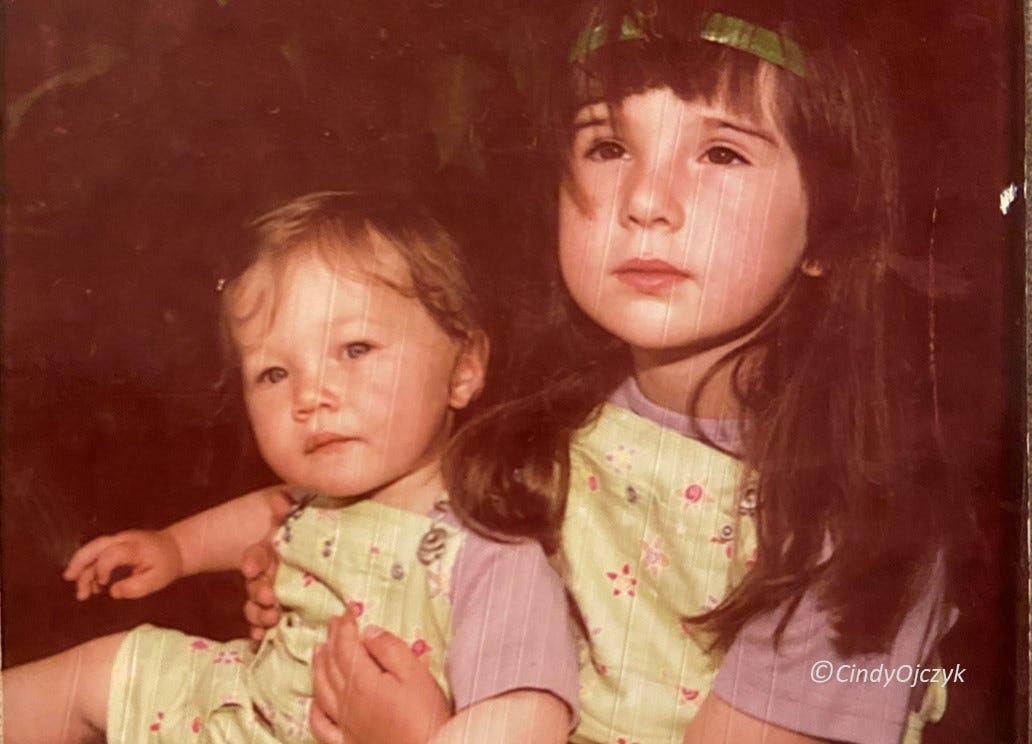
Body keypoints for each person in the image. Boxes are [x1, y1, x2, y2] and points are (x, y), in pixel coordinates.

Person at [241, 4, 969, 744]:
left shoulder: (848, 523)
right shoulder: (536, 438)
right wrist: (317, 580)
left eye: (722, 153)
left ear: (832, 229)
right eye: (609, 146)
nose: (646, 202)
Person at [1, 192, 579, 744]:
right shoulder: (315, 497)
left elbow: (524, 714)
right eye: (275, 374)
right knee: (109, 667)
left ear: (463, 369)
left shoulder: (488, 551)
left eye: (354, 349)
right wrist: (175, 549)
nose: (310, 395)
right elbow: (268, 510)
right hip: (250, 701)